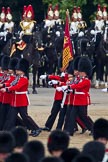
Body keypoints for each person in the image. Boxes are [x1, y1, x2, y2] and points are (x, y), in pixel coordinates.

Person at [1, 58, 41, 137]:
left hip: (21, 100)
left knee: (25, 117)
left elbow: (17, 87)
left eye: (18, 70)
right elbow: (11, 84)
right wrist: (5, 85)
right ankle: (7, 131)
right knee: (10, 117)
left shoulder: (24, 79)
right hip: (15, 101)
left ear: (22, 70)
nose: (16, 71)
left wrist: (6, 89)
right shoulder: (18, 78)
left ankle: (36, 128)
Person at [58, 56, 93, 136]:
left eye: (80, 71)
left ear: (84, 72)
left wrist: (69, 87)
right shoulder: (78, 79)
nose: (78, 73)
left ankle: (93, 128)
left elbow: (78, 86)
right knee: (71, 115)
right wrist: (63, 86)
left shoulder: (86, 81)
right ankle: (69, 131)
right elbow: (72, 84)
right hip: (76, 101)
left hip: (82, 100)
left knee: (84, 116)